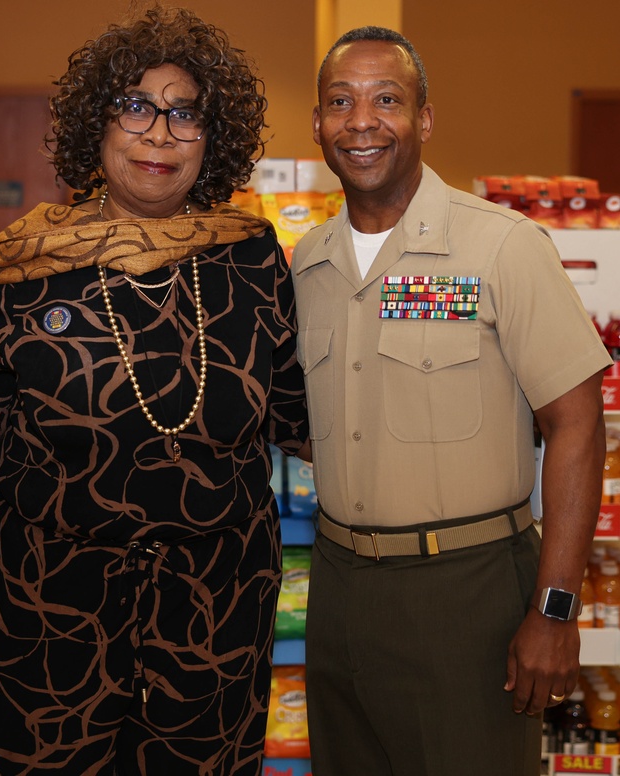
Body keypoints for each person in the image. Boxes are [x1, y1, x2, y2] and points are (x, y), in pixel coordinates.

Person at [0, 6, 308, 773]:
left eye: (186, 113)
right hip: (48, 623)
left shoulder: (252, 261)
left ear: (214, 137)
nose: (159, 133)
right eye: (136, 106)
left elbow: (300, 414)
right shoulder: (25, 266)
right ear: (98, 124)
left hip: (215, 621)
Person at [291, 25, 611, 776]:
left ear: (424, 119)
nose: (361, 121)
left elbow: (577, 425)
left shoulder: (501, 247)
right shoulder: (309, 263)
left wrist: (556, 609)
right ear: (317, 126)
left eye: (387, 100)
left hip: (467, 596)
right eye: (340, 101)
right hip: (339, 590)